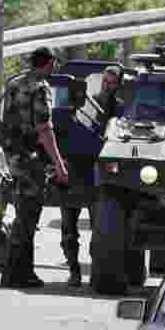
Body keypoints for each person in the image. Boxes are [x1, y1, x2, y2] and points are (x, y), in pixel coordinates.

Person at [0, 46, 69, 288]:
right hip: (30, 159)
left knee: (22, 214)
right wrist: (59, 164)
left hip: (12, 156)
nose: (55, 67)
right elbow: (44, 129)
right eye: (54, 63)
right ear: (48, 63)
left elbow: (6, 120)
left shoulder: (14, 82)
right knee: (28, 216)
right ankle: (15, 274)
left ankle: (21, 272)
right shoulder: (40, 87)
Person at [56, 79, 105, 287]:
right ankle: (76, 272)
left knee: (95, 232)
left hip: (88, 180)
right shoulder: (64, 118)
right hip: (75, 179)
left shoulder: (89, 117)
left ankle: (87, 272)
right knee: (71, 231)